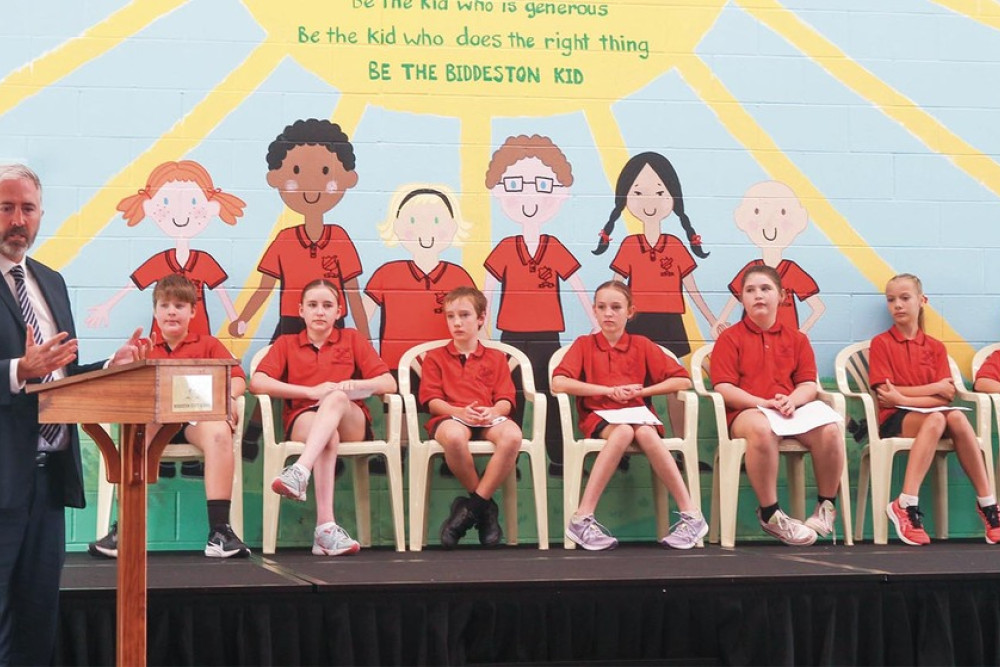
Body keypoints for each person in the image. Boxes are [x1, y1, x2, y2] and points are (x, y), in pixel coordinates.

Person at [0, 164, 147, 665]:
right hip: (1, 477)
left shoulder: (51, 281)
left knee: (38, 617)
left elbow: (58, 377)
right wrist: (19, 369)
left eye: (27, 208)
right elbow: (32, 370)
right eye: (6, 208)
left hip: (49, 483)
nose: (18, 219)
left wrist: (110, 366)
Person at [88, 274, 251, 560]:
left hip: (194, 422)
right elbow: (124, 387)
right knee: (137, 428)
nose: (172, 311)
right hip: (156, 420)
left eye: (179, 305)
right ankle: (125, 528)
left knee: (219, 431)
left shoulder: (209, 344)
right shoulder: (142, 347)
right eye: (165, 306)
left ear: (193, 311)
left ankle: (220, 531)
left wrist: (232, 397)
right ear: (155, 312)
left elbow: (237, 378)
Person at [552, 281, 707, 551]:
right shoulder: (584, 344)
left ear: (630, 312)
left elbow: (681, 380)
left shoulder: (642, 345)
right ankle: (582, 517)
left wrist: (645, 390)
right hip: (599, 415)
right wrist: (608, 391)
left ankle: (691, 515)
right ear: (594, 311)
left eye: (615, 307)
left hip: (638, 416)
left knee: (644, 431)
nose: (608, 314)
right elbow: (559, 383)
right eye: (602, 307)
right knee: (624, 430)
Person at [250, 279, 395, 556]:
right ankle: (325, 529)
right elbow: (257, 382)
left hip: (351, 419)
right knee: (328, 433)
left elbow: (389, 383)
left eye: (327, 306)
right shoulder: (286, 343)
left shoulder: (352, 338)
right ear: (301, 310)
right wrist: (310, 391)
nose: (320, 312)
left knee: (336, 397)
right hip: (305, 417)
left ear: (339, 311)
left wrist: (357, 386)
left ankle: (300, 470)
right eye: (313, 305)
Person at [483, 135, 598, 475]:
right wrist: (485, 331)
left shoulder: (554, 245)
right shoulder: (505, 247)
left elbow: (577, 284)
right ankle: (511, 457)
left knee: (549, 396)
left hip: (548, 334)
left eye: (542, 185)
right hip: (510, 335)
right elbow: (487, 293)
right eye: (516, 184)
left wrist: (595, 322)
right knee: (511, 396)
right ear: (498, 191)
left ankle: (559, 458)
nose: (529, 195)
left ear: (559, 194)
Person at [710, 265, 843, 546]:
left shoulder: (797, 339)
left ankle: (825, 508)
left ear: (781, 296)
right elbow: (724, 387)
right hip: (748, 413)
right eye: (750, 290)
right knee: (762, 428)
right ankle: (770, 514)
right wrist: (762, 403)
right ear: (742, 299)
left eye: (765, 289)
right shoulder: (729, 338)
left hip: (788, 412)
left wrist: (791, 400)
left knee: (830, 429)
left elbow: (808, 384)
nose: (758, 295)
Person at [872, 273, 1000, 545]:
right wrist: (932, 389)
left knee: (954, 416)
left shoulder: (936, 348)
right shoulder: (881, 344)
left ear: (922, 301)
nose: (898, 305)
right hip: (895, 419)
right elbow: (886, 396)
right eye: (891, 300)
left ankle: (988, 505)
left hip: (931, 417)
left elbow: (946, 398)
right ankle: (905, 503)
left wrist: (905, 394)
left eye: (905, 298)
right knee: (937, 420)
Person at [419, 286, 522, 548]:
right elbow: (432, 402)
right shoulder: (435, 358)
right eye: (450, 316)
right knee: (454, 436)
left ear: (480, 318)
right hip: (452, 417)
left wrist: (493, 411)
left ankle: (469, 510)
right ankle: (485, 511)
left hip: (487, 418)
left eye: (464, 315)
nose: (457, 322)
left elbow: (506, 401)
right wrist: (458, 412)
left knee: (512, 436)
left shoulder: (497, 358)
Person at [713, 181, 824, 337]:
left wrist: (801, 332)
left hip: (785, 343)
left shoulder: (791, 270)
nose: (769, 222)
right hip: (751, 338)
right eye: (757, 211)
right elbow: (733, 300)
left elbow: (818, 307)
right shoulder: (751, 270)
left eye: (782, 212)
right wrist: (719, 323)